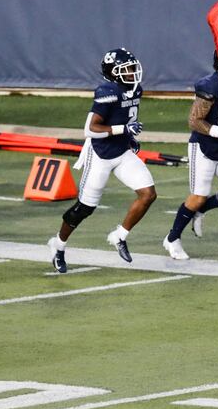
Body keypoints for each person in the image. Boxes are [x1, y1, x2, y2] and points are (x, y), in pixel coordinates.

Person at [47, 48, 157, 273]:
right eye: (126, 70)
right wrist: (123, 129)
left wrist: (128, 137)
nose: (133, 74)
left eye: (133, 68)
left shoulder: (135, 90)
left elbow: (125, 119)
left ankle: (119, 235)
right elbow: (90, 129)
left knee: (148, 194)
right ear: (113, 73)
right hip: (100, 154)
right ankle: (58, 245)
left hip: (122, 151)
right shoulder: (107, 91)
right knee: (85, 208)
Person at [162, 52, 218, 260]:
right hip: (204, 147)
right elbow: (194, 121)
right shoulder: (210, 86)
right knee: (197, 196)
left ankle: (202, 210)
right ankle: (172, 238)